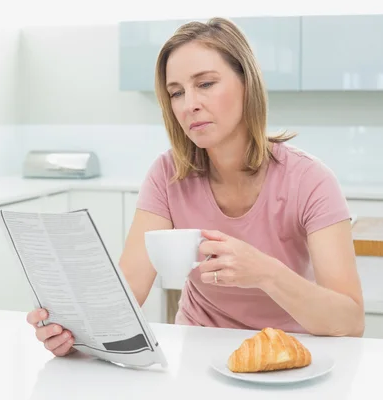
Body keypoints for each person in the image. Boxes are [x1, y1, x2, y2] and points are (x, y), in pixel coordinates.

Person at [27, 17, 365, 357]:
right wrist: (73, 332)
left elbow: (350, 321)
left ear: (247, 82)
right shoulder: (167, 175)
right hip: (197, 351)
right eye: (176, 92)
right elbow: (129, 290)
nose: (189, 104)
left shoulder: (310, 181)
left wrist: (264, 272)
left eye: (205, 84)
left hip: (285, 353)